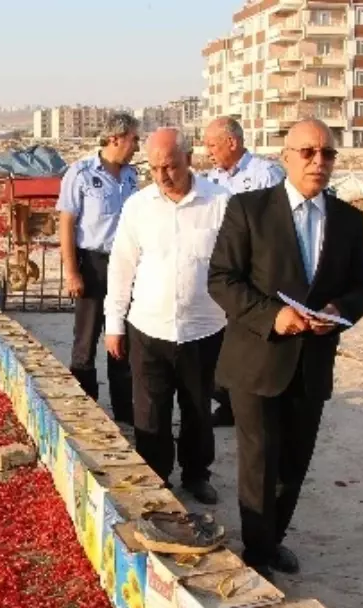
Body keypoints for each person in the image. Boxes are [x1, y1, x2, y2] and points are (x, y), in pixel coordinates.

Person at [208, 119, 363, 577]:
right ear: (285, 158)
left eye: (327, 153)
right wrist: (272, 316)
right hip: (258, 360)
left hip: (312, 363)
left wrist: (338, 310)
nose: (318, 162)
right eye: (308, 152)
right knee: (259, 462)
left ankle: (273, 538)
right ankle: (257, 553)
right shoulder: (249, 209)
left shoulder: (349, 221)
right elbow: (222, 279)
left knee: (294, 463)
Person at [104, 128, 232, 504]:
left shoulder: (220, 202)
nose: (162, 176)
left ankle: (196, 475)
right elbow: (121, 268)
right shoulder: (138, 206)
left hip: (204, 328)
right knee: (150, 412)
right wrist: (114, 324)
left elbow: (237, 264)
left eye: (170, 166)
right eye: (155, 168)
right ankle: (156, 477)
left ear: (189, 159)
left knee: (197, 407)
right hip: (148, 327)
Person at [202, 116, 287, 428]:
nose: (208, 151)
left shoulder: (265, 174)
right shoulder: (211, 180)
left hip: (254, 272)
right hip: (224, 271)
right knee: (222, 340)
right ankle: (227, 404)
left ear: (232, 142)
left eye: (212, 145)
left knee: (251, 339)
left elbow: (283, 224)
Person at [56, 113, 141, 424]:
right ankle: (87, 412)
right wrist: (72, 272)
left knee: (122, 339)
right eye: (134, 139)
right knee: (86, 341)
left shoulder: (131, 176)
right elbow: (66, 223)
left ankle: (125, 413)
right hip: (93, 264)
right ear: (115, 138)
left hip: (126, 265)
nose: (137, 146)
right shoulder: (80, 173)